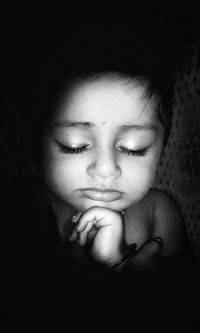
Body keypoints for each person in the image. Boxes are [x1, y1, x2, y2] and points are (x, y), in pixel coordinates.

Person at [1, 20, 199, 330]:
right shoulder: (25, 204)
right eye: (74, 146)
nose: (106, 170)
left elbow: (186, 306)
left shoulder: (159, 211)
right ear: (35, 142)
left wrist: (127, 270)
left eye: (135, 148)